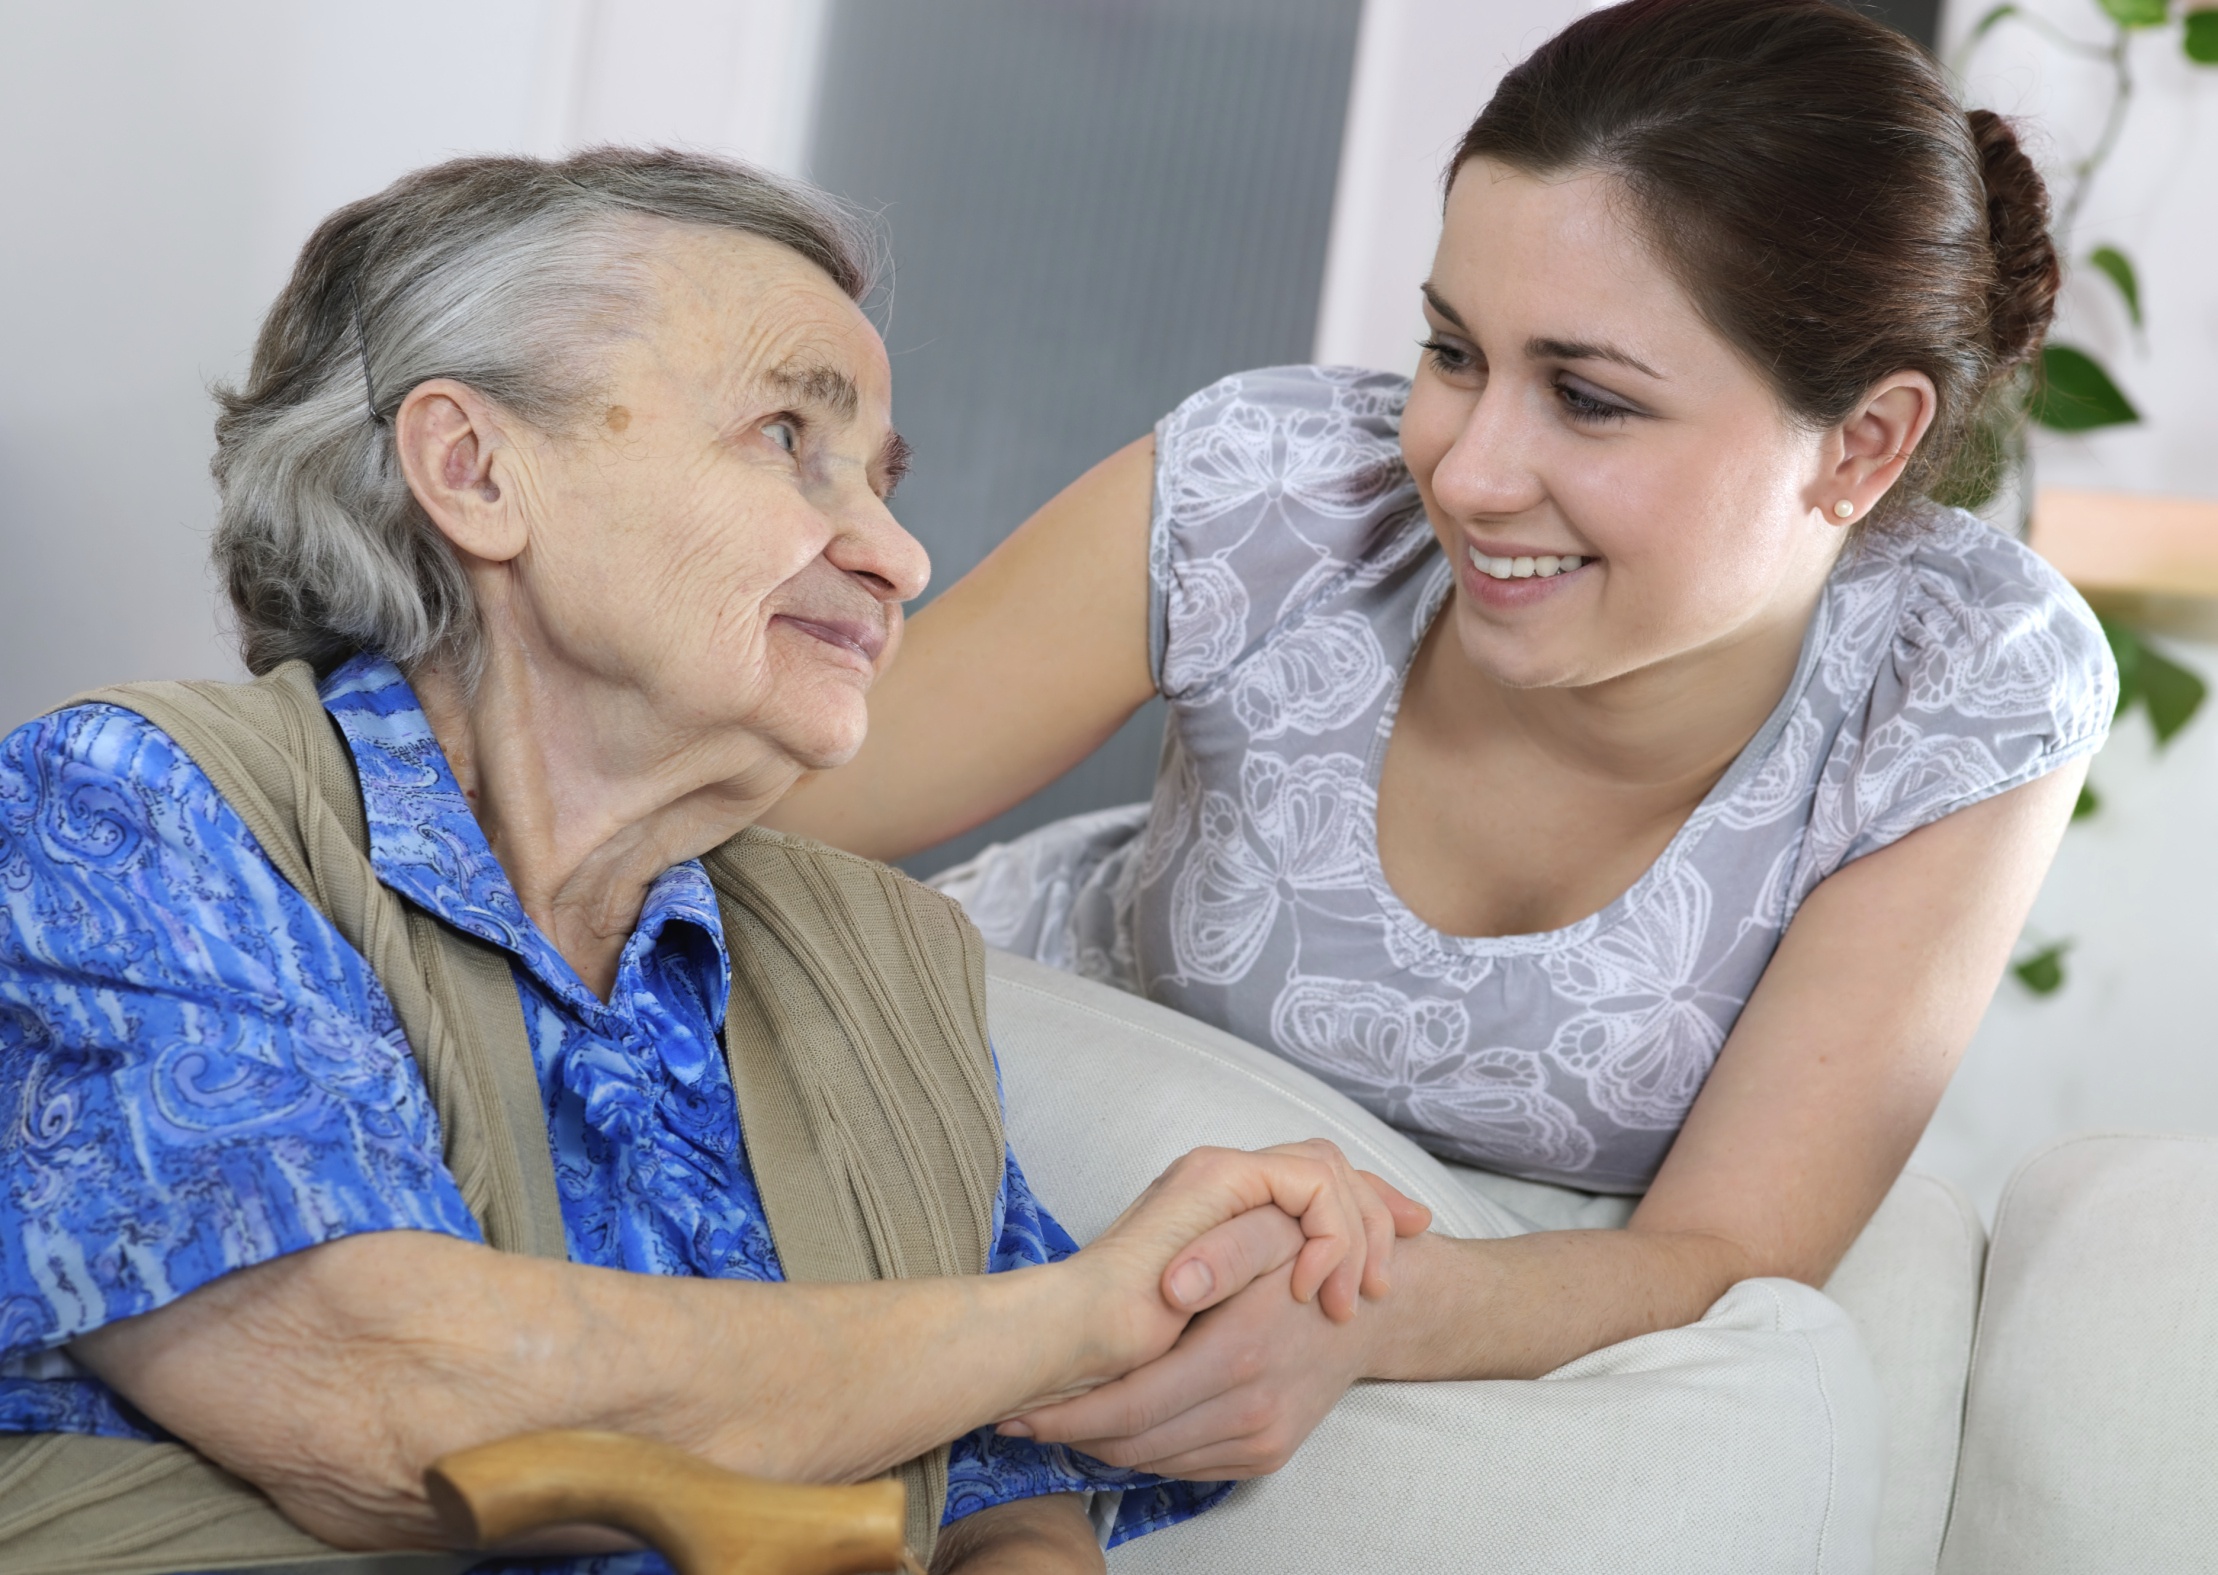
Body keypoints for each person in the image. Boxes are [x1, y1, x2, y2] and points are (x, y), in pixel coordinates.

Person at [767, 0, 2112, 1544]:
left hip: (1374, 1290)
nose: (1464, 470)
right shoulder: (1272, 487)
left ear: (1862, 446)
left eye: (1589, 396)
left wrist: (1367, 1311)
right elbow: (761, 804)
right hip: (1005, 1123)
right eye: (1450, 352)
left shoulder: (1963, 681)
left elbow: (1725, 1246)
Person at [0, 150, 1427, 1575]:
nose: (898, 556)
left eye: (879, 476)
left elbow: (999, 1481)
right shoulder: (140, 809)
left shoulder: (881, 956)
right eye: (785, 437)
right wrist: (1074, 1313)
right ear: (475, 469)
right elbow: (392, 1402)